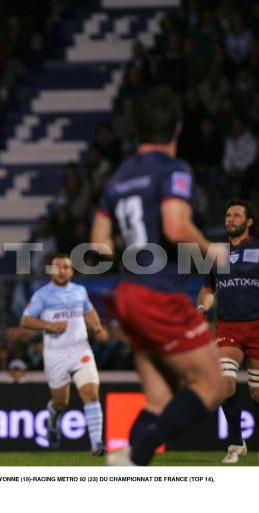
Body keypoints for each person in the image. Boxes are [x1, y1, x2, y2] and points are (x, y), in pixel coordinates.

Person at [91, 87, 227, 466]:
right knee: (213, 386)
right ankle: (134, 456)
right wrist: (211, 250)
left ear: (137, 130)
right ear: (177, 129)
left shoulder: (119, 177)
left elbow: (99, 245)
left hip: (128, 293)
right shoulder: (173, 169)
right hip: (159, 295)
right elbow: (177, 226)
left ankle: (128, 472)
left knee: (159, 400)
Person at [20, 255, 109, 456]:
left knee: (91, 393)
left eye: (66, 267)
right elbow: (26, 320)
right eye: (57, 267)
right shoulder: (42, 295)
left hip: (81, 350)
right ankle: (53, 420)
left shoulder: (80, 291)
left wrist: (97, 327)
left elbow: (89, 310)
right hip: (55, 354)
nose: (61, 271)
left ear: (71, 271)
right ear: (51, 270)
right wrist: (49, 325)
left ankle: (97, 444)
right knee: (61, 402)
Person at [197, 199, 259, 463]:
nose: (229, 219)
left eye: (236, 215)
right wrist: (202, 305)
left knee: (257, 393)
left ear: (249, 222)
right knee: (224, 384)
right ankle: (236, 443)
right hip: (229, 326)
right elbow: (209, 287)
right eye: (227, 215)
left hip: (257, 327)